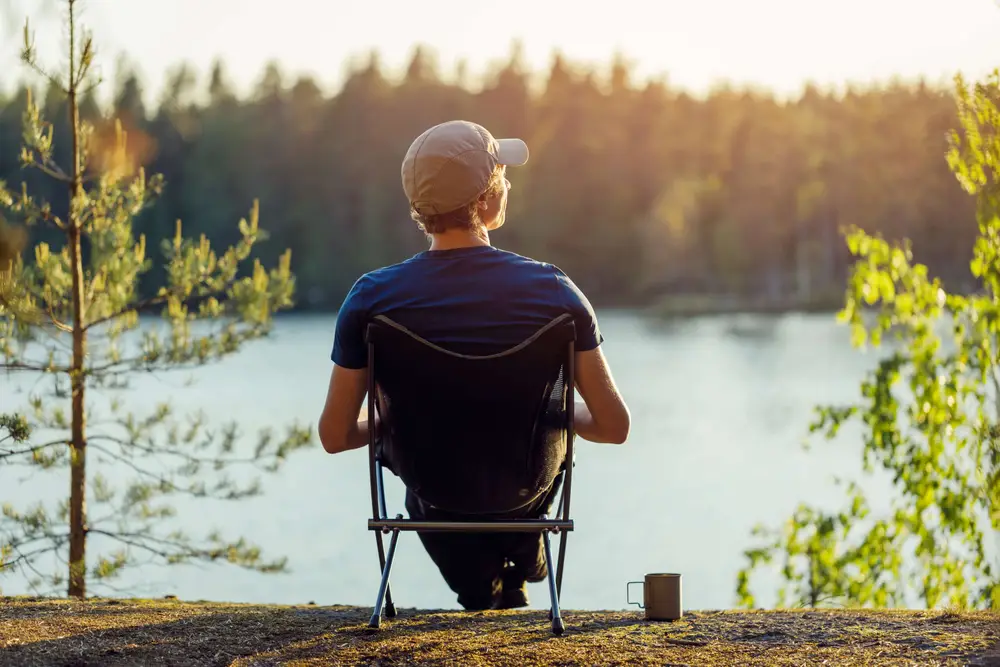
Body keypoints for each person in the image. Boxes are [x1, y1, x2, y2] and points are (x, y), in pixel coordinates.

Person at [318, 120, 631, 610]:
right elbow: (613, 426)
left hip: (435, 496)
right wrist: (554, 414)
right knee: (538, 463)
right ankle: (524, 554)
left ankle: (479, 584)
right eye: (502, 176)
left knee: (428, 493)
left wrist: (394, 421)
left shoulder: (371, 299)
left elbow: (335, 436)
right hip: (527, 491)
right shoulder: (552, 290)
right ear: (485, 202)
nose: (508, 183)